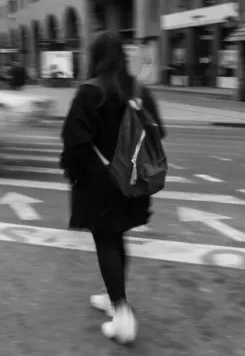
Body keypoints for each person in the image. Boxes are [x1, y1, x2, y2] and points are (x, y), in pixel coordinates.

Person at [60, 31, 166, 344]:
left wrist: (76, 175)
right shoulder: (138, 89)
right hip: (134, 179)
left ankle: (122, 315)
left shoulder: (91, 91)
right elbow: (160, 132)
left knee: (105, 240)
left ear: (94, 57)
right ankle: (113, 296)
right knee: (118, 236)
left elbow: (74, 143)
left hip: (101, 182)